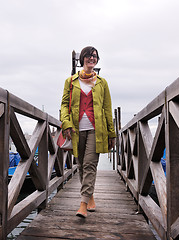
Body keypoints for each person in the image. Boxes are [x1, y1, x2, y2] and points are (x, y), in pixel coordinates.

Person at [60, 46, 116, 218]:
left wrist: (112, 133)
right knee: (82, 165)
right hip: (76, 130)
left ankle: (83, 204)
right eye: (89, 56)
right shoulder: (71, 82)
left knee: (90, 164)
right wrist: (66, 123)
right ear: (82, 59)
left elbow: (107, 108)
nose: (92, 59)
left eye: (95, 56)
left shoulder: (102, 82)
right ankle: (90, 195)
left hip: (96, 129)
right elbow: (64, 104)